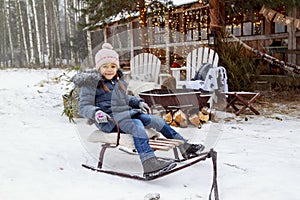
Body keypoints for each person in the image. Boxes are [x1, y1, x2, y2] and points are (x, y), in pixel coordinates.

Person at [72, 43, 204, 179]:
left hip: (124, 114)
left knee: (156, 120)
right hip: (108, 120)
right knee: (136, 125)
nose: (109, 70)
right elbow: (83, 106)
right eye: (105, 66)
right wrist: (95, 113)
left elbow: (124, 98)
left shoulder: (117, 81)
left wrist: (138, 102)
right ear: (98, 67)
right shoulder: (91, 84)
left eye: (113, 66)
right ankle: (149, 163)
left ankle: (185, 147)